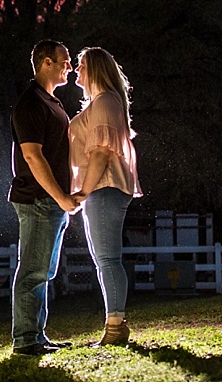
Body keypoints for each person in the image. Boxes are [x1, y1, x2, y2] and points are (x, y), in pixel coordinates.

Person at [8, 40, 82, 356]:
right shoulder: (31, 103)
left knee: (44, 271)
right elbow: (33, 156)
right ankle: (25, 340)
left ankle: (36, 335)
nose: (70, 67)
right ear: (46, 62)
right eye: (65, 62)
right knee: (34, 272)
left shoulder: (50, 102)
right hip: (38, 199)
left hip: (49, 201)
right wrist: (60, 197)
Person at [69, 46, 142, 347]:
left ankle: (115, 327)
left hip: (104, 188)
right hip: (104, 189)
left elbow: (100, 153)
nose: (76, 70)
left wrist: (83, 191)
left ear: (95, 69)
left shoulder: (104, 103)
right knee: (106, 258)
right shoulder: (105, 102)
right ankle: (115, 323)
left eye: (81, 65)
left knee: (108, 258)